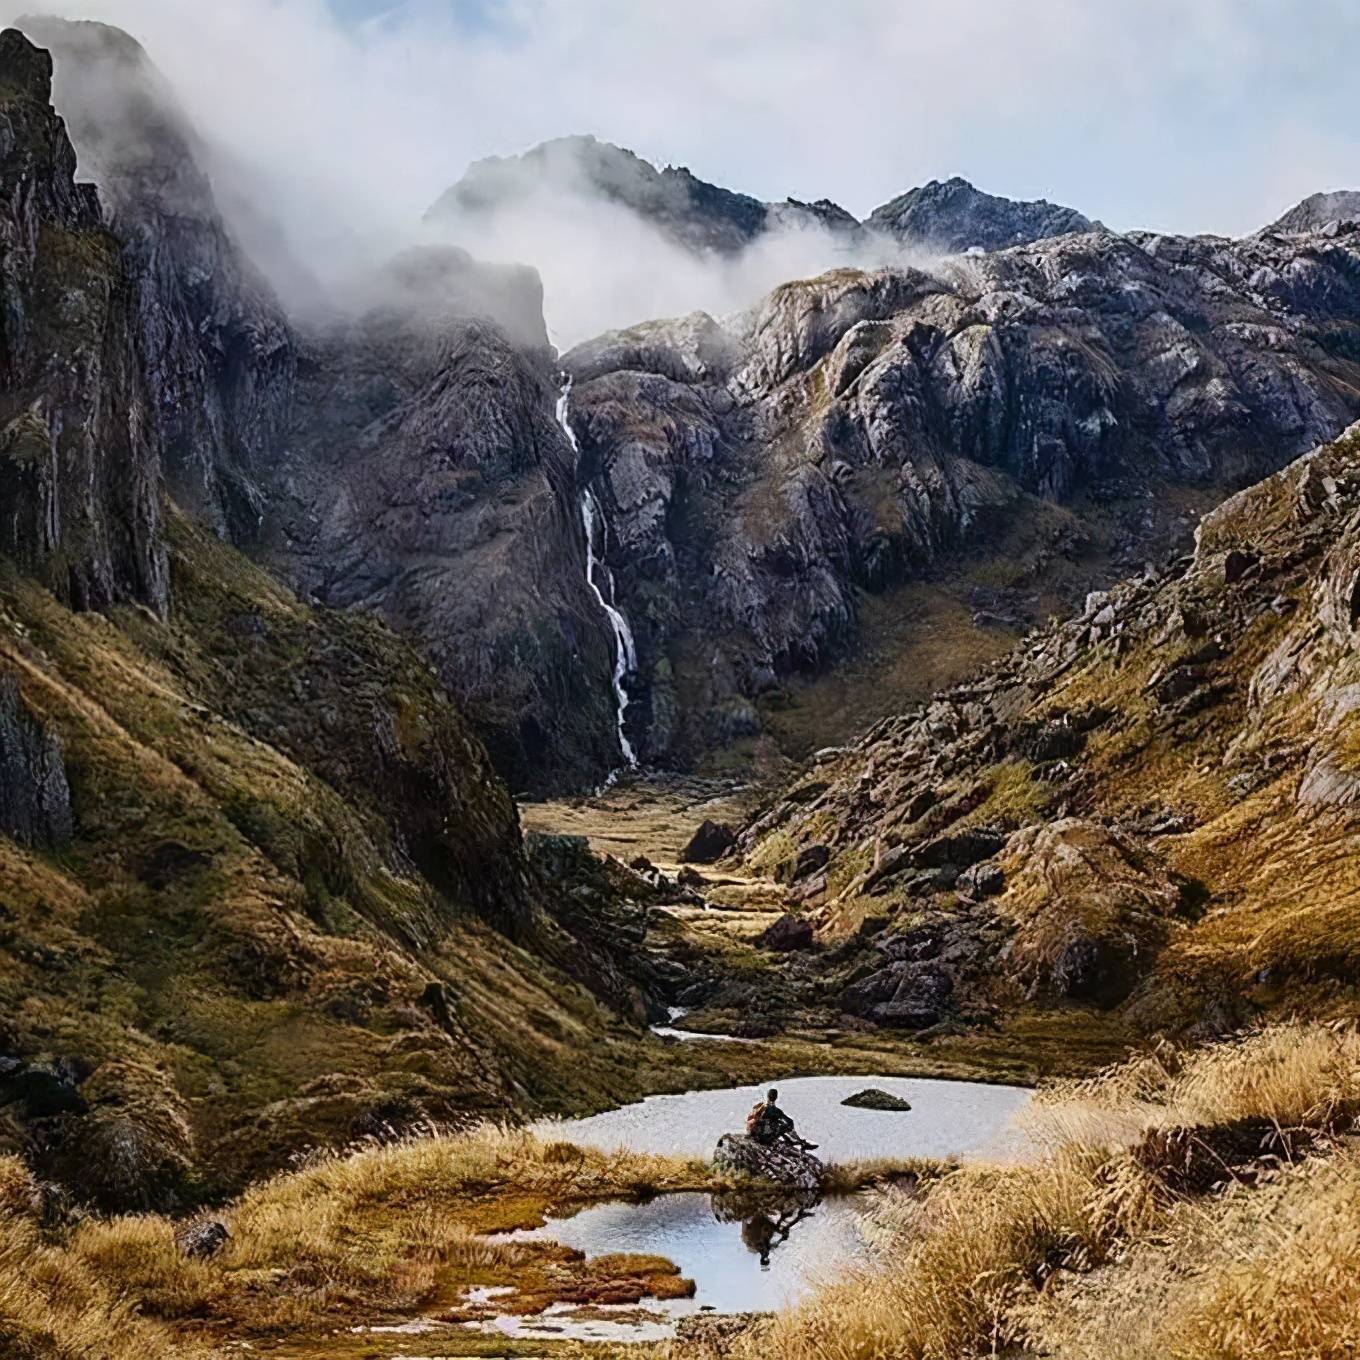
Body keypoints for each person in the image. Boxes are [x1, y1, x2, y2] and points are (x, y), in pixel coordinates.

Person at [745, 1087, 818, 1151]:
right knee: (783, 1126)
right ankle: (799, 1143)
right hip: (765, 1138)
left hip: (756, 1135)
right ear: (776, 1097)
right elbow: (790, 1121)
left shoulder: (760, 1106)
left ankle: (794, 1141)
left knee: (779, 1125)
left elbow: (751, 1120)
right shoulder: (776, 1111)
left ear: (767, 1096)